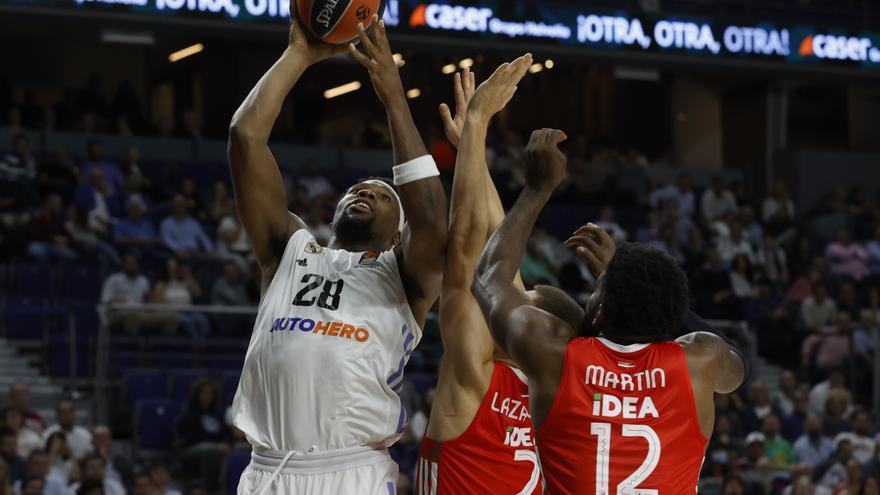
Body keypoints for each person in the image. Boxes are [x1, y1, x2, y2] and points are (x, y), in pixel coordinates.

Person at [227, 13, 446, 495]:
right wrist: (298, 55)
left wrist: (393, 96)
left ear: (396, 237)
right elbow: (245, 138)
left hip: (353, 473)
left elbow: (431, 218)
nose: (367, 192)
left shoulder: (404, 275)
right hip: (267, 472)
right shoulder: (289, 249)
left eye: (385, 195)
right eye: (358, 189)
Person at [471, 130, 745, 493]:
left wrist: (537, 188)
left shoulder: (553, 352)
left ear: (599, 314)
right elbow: (741, 366)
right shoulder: (702, 358)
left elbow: (489, 277)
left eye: (596, 289)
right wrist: (638, 292)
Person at [415, 59, 584, 494]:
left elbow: (474, 248)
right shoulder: (562, 393)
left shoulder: (478, 372)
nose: (509, 297)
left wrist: (477, 124)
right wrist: (474, 152)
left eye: (522, 298)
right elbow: (496, 259)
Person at [100, 254, 178, 333]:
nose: (131, 266)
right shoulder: (113, 279)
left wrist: (152, 300)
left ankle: (163, 343)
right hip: (119, 312)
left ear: (137, 265)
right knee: (132, 317)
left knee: (172, 317)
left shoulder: (143, 281)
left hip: (141, 311)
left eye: (134, 264)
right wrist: (119, 301)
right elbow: (105, 300)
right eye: (129, 264)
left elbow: (147, 300)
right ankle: (132, 343)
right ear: (123, 265)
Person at [175, 380, 229, 491]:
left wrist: (227, 444)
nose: (207, 395)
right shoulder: (189, 411)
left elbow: (226, 432)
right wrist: (217, 445)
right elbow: (191, 436)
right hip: (192, 447)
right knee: (211, 449)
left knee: (242, 448)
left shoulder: (217, 412)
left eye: (210, 393)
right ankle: (209, 487)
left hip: (217, 446)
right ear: (197, 394)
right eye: (204, 392)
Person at [151, 258, 210, 338]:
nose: (174, 269)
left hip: (189, 312)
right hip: (173, 313)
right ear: (166, 269)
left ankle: (204, 345)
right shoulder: (162, 284)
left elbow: (198, 293)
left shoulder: (185, 282)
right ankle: (196, 345)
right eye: (171, 267)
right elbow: (157, 302)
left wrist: (188, 276)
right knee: (187, 322)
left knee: (203, 321)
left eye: (176, 267)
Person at [25, 194, 78, 263]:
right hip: (40, 244)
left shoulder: (57, 219)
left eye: (59, 204)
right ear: (49, 204)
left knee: (72, 255)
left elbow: (66, 234)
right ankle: (45, 270)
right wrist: (53, 238)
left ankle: (59, 271)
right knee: (34, 250)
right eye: (56, 204)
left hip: (54, 246)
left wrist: (65, 239)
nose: (59, 207)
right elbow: (33, 234)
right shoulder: (37, 217)